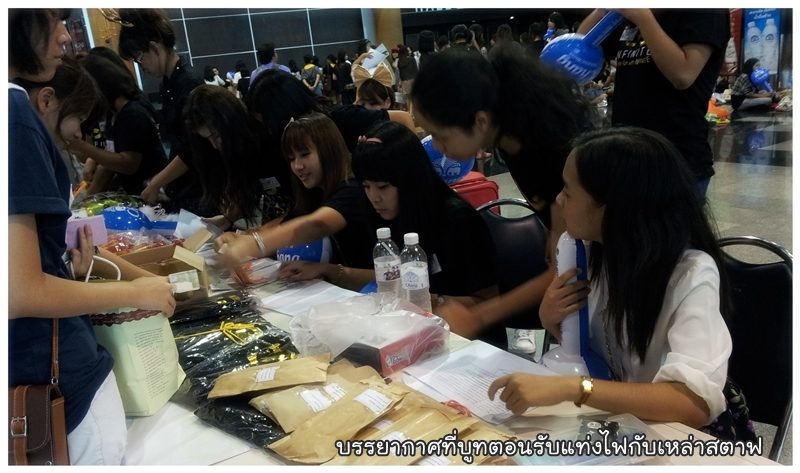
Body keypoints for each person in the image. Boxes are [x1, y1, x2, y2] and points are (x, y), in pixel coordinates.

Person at [9, 9, 174, 465]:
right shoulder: (14, 116)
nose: (65, 36)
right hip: (55, 373)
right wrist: (136, 291)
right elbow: (20, 292)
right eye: (54, 18)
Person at [488, 126, 733, 433]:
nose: (559, 200)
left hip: (670, 431)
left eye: (568, 191)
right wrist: (551, 321)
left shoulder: (690, 274)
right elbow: (601, 354)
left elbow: (692, 404)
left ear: (613, 207)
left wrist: (575, 388)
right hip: (613, 421)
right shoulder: (586, 251)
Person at [411, 46, 593, 343]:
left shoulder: (557, 152)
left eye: (442, 136)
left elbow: (570, 271)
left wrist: (479, 316)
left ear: (480, 122)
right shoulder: (514, 134)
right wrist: (554, 230)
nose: (439, 148)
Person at [280, 121, 500, 306]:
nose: (373, 197)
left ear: (409, 179)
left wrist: (429, 300)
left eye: (383, 187)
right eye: (366, 186)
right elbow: (388, 278)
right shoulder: (385, 214)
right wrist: (326, 270)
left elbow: (488, 300)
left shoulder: (456, 220)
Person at [579, 8, 729, 196]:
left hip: (676, 159)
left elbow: (683, 74)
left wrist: (642, 17)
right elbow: (579, 49)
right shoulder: (632, 14)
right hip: (627, 155)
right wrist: (603, 10)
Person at [214, 113, 374, 272]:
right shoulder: (315, 193)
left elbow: (316, 225)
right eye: (292, 158)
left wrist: (253, 245)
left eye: (305, 155)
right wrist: (240, 238)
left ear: (329, 150)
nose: (297, 166)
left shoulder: (352, 189)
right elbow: (284, 224)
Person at [117, 8, 212, 215]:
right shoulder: (169, 82)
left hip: (201, 191)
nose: (141, 67)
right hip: (186, 188)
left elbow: (192, 148)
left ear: (154, 47)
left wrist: (157, 182)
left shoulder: (187, 83)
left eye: (139, 58)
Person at [183, 85, 295, 229]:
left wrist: (260, 235)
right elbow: (249, 185)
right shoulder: (236, 147)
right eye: (208, 139)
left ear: (229, 123)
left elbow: (302, 203)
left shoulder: (268, 139)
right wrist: (228, 218)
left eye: (216, 136)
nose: (215, 145)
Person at [71, 51, 169, 196]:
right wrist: (90, 195)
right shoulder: (114, 112)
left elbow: (128, 164)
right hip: (139, 193)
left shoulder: (132, 113)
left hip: (156, 194)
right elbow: (110, 158)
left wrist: (82, 147)